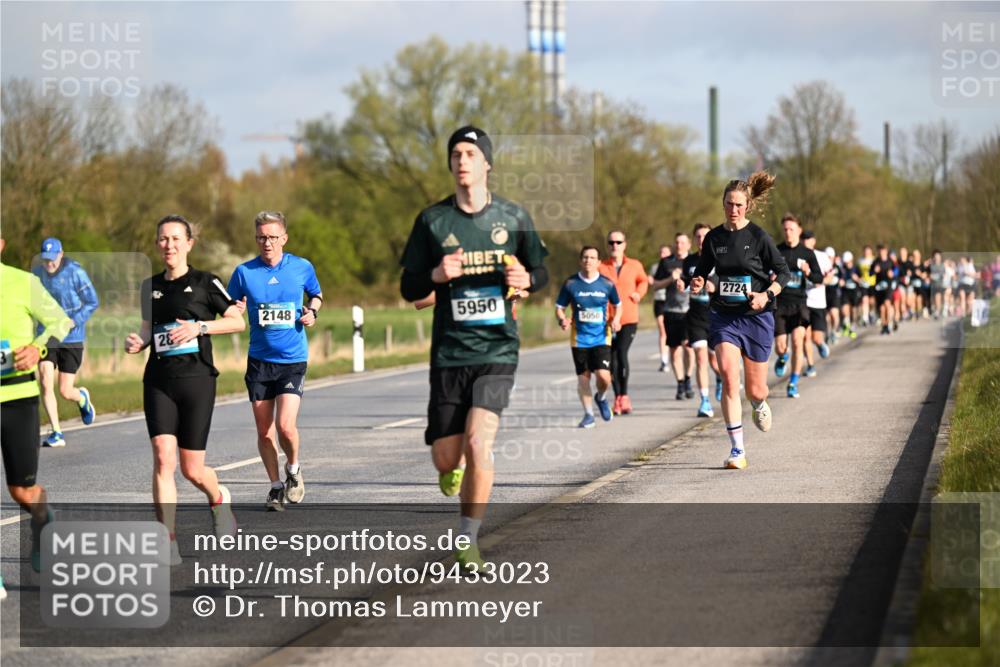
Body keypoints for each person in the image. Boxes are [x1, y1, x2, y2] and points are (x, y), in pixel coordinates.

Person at [399, 126, 548, 570]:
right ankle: (452, 470)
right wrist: (436, 277)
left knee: (478, 442)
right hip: (449, 353)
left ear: (487, 164)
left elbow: (540, 272)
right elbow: (410, 287)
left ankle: (467, 539)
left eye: (470, 153)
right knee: (447, 456)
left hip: (497, 350)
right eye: (456, 154)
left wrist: (527, 280)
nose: (462, 161)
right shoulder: (432, 221)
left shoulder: (513, 216)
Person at [125, 215, 241, 564]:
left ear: (189, 243)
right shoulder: (149, 286)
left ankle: (218, 498)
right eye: (163, 239)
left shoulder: (207, 282)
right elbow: (149, 330)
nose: (169, 245)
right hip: (158, 381)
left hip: (197, 381)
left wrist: (199, 327)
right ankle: (167, 540)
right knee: (163, 458)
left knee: (192, 470)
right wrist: (138, 341)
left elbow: (237, 320)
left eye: (175, 239)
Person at [691, 172, 790, 470]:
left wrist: (766, 295)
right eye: (728, 204)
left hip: (757, 317)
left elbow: (783, 272)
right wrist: (696, 281)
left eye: (738, 204)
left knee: (755, 390)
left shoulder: (759, 237)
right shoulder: (714, 238)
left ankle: (760, 403)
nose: (732, 209)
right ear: (722, 204)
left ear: (747, 205)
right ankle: (737, 450)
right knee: (728, 376)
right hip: (724, 316)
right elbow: (701, 271)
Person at [227, 211, 323, 512]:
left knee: (286, 427)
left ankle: (293, 470)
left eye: (271, 237)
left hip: (292, 359)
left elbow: (316, 295)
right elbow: (231, 306)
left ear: (284, 238)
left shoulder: (301, 266)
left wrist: (312, 312)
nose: (266, 242)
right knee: (264, 430)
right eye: (261, 237)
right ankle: (274, 486)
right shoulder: (244, 272)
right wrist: (236, 310)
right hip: (259, 362)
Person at [0, 233, 74, 599]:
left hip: (17, 398)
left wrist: (37, 347)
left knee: (21, 490)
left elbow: (62, 322)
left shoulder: (22, 282)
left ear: (0, 243)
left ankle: (42, 520)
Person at [32, 237, 99, 447]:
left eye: (52, 259)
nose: (49, 264)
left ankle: (81, 398)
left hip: (72, 336)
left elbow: (92, 301)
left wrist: (74, 321)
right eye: (45, 259)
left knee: (64, 390)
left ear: (61, 254)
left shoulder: (76, 273)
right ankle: (56, 432)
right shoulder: (37, 274)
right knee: (44, 378)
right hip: (48, 334)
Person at [555, 246, 621, 428]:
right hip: (579, 338)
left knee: (604, 377)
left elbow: (618, 304)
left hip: (601, 337)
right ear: (580, 260)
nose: (588, 261)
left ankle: (600, 397)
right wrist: (562, 320)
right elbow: (559, 307)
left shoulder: (607, 284)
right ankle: (589, 415)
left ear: (599, 262)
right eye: (585, 257)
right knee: (583, 379)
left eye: (592, 258)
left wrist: (616, 319)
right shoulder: (571, 283)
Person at [772, 214, 823, 398]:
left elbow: (819, 278)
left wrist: (808, 272)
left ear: (799, 231)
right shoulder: (776, 251)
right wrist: (770, 278)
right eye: (785, 229)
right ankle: (782, 357)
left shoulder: (807, 254)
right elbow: (763, 273)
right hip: (779, 305)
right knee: (780, 346)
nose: (788, 233)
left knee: (797, 341)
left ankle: (793, 382)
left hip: (799, 303)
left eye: (791, 229)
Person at [599, 230, 648, 415]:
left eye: (618, 242)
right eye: (611, 242)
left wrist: (639, 293)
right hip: (607, 320)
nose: (615, 246)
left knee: (621, 353)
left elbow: (643, 281)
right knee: (610, 360)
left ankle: (625, 397)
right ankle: (617, 397)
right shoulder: (601, 267)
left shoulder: (634, 265)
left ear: (624, 244)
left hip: (628, 318)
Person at [684, 223, 722, 416]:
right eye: (698, 236)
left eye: (705, 236)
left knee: (715, 362)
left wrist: (713, 285)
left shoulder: (720, 258)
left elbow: (726, 280)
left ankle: (720, 379)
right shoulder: (689, 261)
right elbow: (684, 281)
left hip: (716, 316)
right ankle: (705, 401)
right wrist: (679, 282)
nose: (701, 239)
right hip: (696, 317)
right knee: (700, 358)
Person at [652, 233, 694, 400]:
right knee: (675, 349)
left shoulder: (694, 261)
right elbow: (655, 285)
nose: (679, 245)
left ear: (689, 245)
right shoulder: (667, 262)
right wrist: (671, 278)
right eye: (677, 242)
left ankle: (689, 378)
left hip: (690, 310)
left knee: (689, 348)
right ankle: (680, 382)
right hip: (671, 310)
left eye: (683, 242)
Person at [801, 231, 832, 377]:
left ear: (813, 241)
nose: (806, 241)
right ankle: (810, 365)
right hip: (803, 301)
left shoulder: (822, 256)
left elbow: (830, 276)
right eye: (803, 239)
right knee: (805, 336)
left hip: (818, 302)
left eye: (808, 239)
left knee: (816, 337)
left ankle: (820, 344)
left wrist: (822, 281)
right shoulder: (798, 256)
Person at [648, 245, 672, 372]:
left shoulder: (675, 265)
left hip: (671, 302)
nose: (663, 254)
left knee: (670, 331)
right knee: (662, 331)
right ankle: (664, 360)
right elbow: (651, 282)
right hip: (659, 301)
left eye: (665, 252)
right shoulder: (654, 267)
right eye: (661, 252)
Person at [871, 244, 896, 335]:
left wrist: (892, 273)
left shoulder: (890, 261)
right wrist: (874, 271)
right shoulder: (875, 262)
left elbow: (897, 270)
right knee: (881, 308)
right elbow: (870, 273)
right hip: (878, 288)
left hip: (888, 287)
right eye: (880, 252)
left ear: (886, 251)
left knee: (887, 304)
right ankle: (884, 325)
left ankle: (889, 324)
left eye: (883, 251)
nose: (882, 253)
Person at [839, 251, 861, 338]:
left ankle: (852, 327)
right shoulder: (842, 269)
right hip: (845, 291)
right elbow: (840, 278)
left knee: (853, 310)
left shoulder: (856, 268)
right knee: (845, 309)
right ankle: (846, 325)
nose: (846, 263)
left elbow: (862, 279)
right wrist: (841, 282)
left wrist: (857, 279)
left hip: (854, 291)